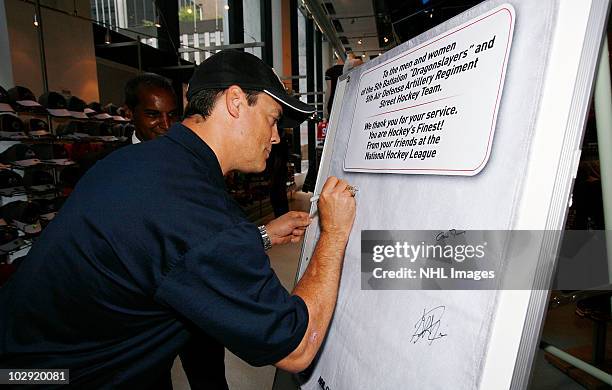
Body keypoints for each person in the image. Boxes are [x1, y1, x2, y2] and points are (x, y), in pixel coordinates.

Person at [0, 50, 356, 388]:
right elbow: (295, 346)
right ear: (234, 102)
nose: (276, 136)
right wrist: (334, 232)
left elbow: (163, 252)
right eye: (272, 118)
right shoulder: (195, 207)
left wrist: (258, 235)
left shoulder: (148, 163)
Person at [123, 73, 180, 143]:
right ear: (129, 113)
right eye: (153, 115)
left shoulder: (188, 152)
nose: (167, 125)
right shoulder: (115, 153)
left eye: (172, 114)